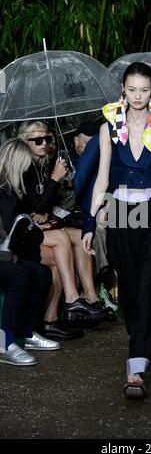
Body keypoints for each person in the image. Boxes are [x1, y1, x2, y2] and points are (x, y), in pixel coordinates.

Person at [82, 62, 151, 398]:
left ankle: (136, 365)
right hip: (120, 213)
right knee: (129, 286)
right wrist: (88, 222)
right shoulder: (109, 128)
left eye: (144, 89)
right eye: (132, 89)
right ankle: (138, 341)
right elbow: (100, 178)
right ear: (123, 91)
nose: (138, 96)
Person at [17, 121, 102, 328]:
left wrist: (59, 182)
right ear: (23, 142)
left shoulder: (43, 165)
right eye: (38, 140)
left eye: (47, 139)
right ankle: (71, 300)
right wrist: (55, 179)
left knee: (81, 236)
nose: (44, 143)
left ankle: (91, 297)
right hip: (23, 233)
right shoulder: (23, 167)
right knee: (61, 240)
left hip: (42, 227)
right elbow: (36, 204)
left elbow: (46, 206)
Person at [0, 138, 61, 365]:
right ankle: (5, 343)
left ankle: (26, 332)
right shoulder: (3, 192)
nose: (28, 169)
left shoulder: (14, 191)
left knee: (41, 273)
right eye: (24, 164)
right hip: (4, 257)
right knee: (19, 275)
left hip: (7, 254)